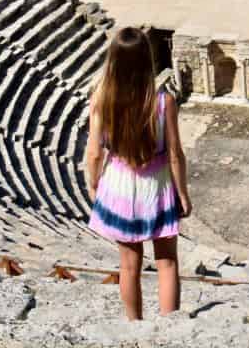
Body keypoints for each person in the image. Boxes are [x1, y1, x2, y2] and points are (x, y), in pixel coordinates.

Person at [83, 27, 192, 321]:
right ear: (148, 60)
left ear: (113, 61)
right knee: (167, 261)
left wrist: (94, 185)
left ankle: (135, 326)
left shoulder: (100, 100)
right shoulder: (162, 102)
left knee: (129, 266)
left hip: (119, 185)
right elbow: (174, 153)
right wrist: (182, 193)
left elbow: (94, 153)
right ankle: (170, 327)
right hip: (156, 187)